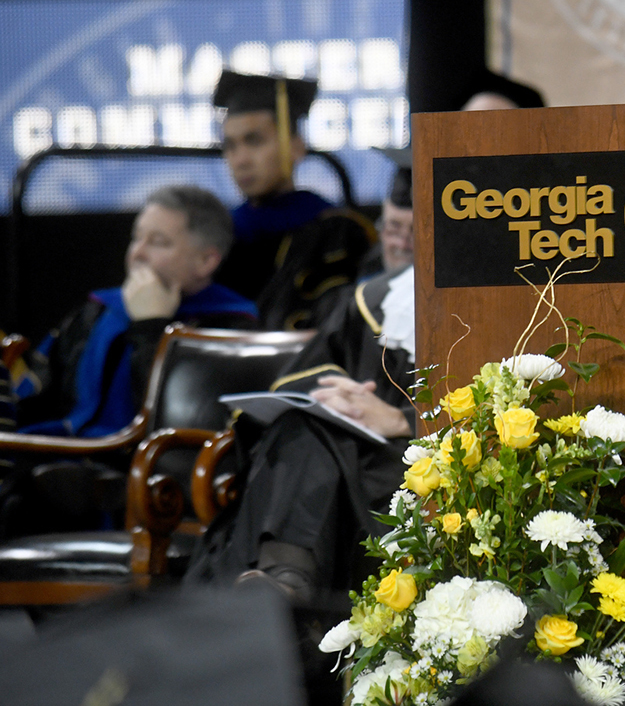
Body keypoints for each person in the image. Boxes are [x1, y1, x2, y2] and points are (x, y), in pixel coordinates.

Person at [1, 186, 258, 534]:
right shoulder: (97, 312)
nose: (138, 253)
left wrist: (151, 328)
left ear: (206, 261)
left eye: (159, 242)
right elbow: (37, 394)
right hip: (61, 455)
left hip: (144, 479)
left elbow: (176, 427)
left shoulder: (232, 329)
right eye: (137, 238)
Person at [185, 262, 415, 599]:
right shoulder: (379, 299)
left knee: (307, 453)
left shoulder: (504, 300)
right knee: (301, 424)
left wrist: (403, 419)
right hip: (344, 456)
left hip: (413, 466)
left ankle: (280, 587)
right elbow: (306, 376)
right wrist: (338, 400)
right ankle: (286, 582)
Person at [210, 71, 374, 330]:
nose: (240, 160)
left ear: (296, 146)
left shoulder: (336, 233)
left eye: (254, 141)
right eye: (230, 146)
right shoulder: (218, 234)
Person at [360, 148, 414, 279]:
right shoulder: (363, 285)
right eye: (393, 230)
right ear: (381, 232)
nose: (402, 244)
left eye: (415, 232)